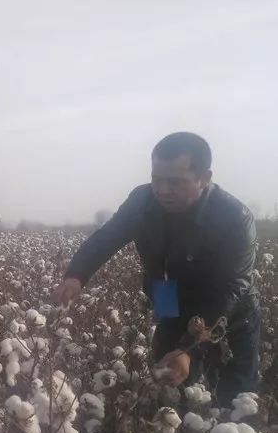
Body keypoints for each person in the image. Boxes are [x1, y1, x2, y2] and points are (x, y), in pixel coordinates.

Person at [51, 132, 259, 406]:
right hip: (166, 295)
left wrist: (189, 349)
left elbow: (230, 290)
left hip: (228, 315)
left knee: (236, 403)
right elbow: (109, 236)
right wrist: (77, 275)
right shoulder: (142, 200)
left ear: (205, 178)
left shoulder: (234, 219)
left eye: (175, 182)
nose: (162, 190)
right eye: (156, 179)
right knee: (166, 386)